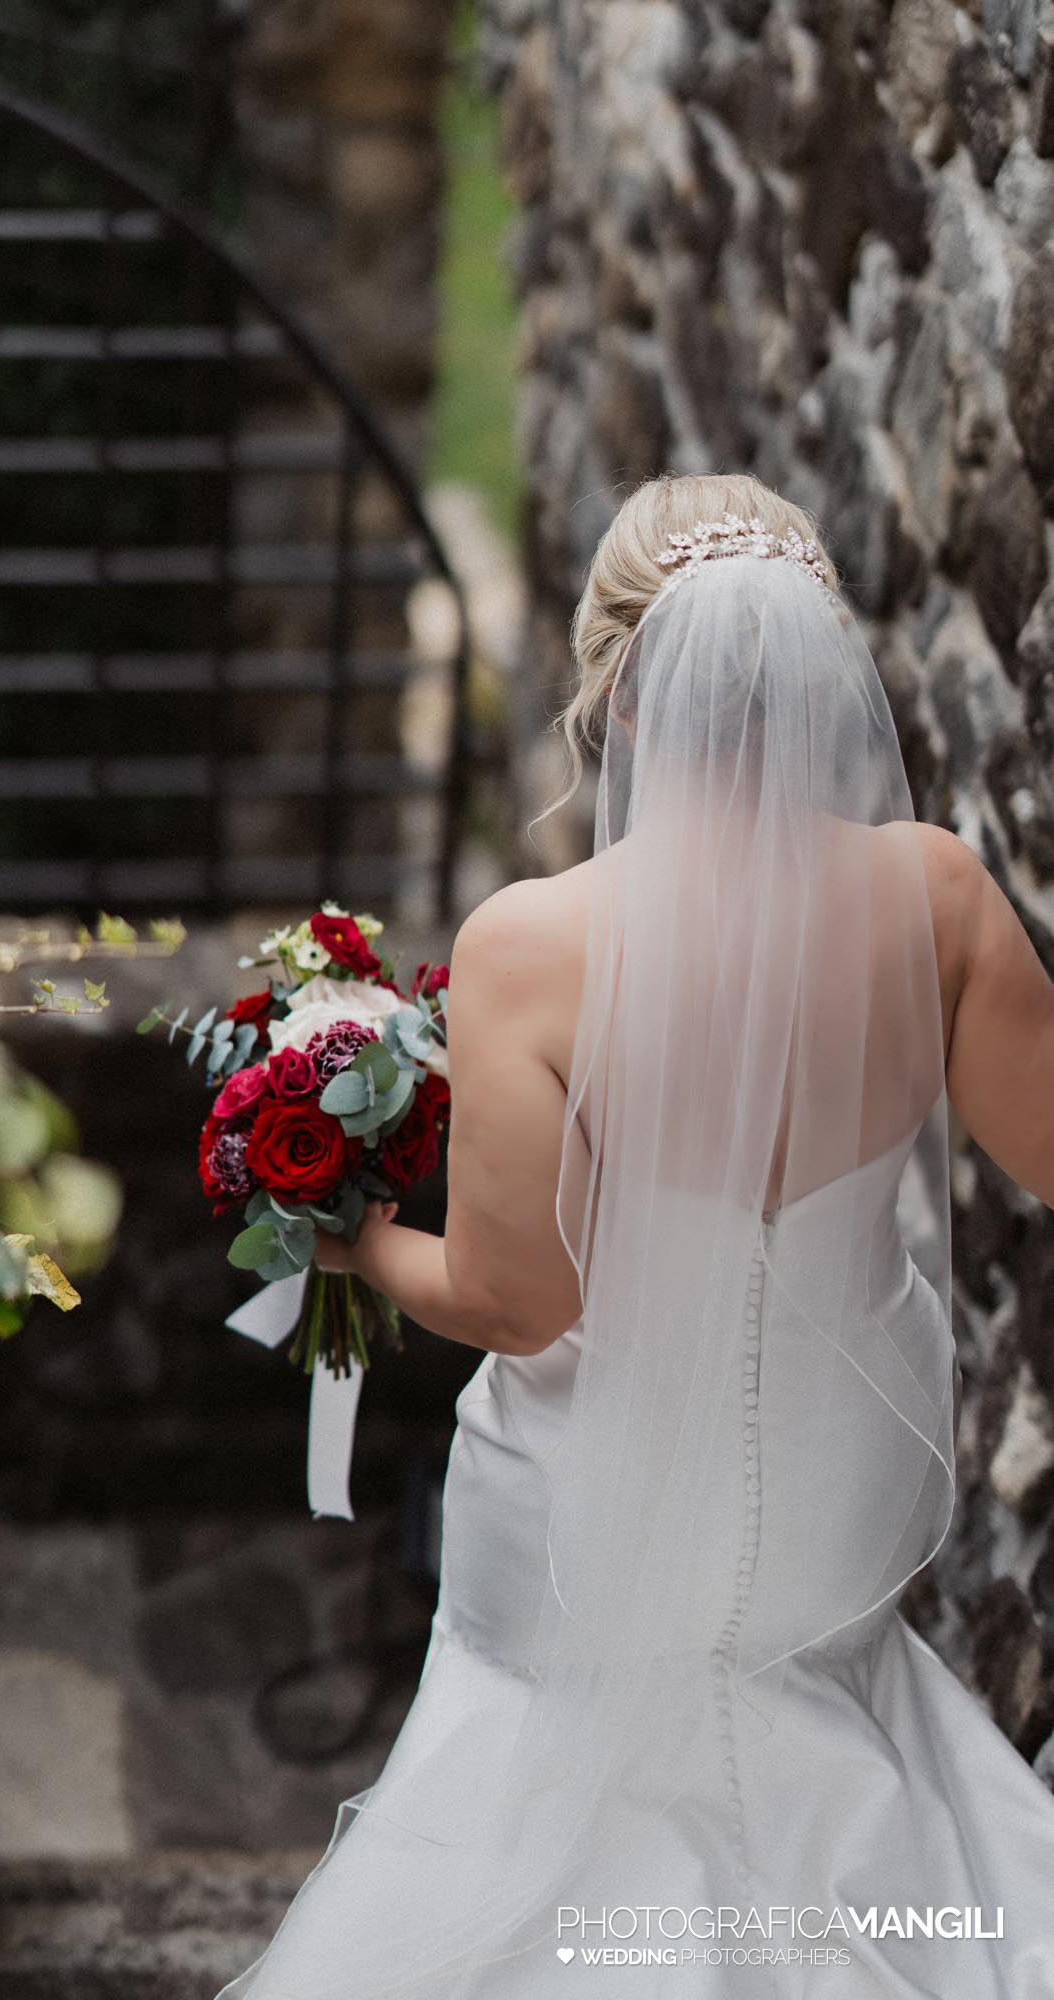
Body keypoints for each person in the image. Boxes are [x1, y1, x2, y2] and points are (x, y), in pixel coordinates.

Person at [214, 472, 1054, 1998]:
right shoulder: (935, 898)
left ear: (611, 682)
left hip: (596, 1517)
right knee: (826, 1738)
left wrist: (345, 1245)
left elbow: (515, 1303)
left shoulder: (533, 949)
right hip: (830, 1487)